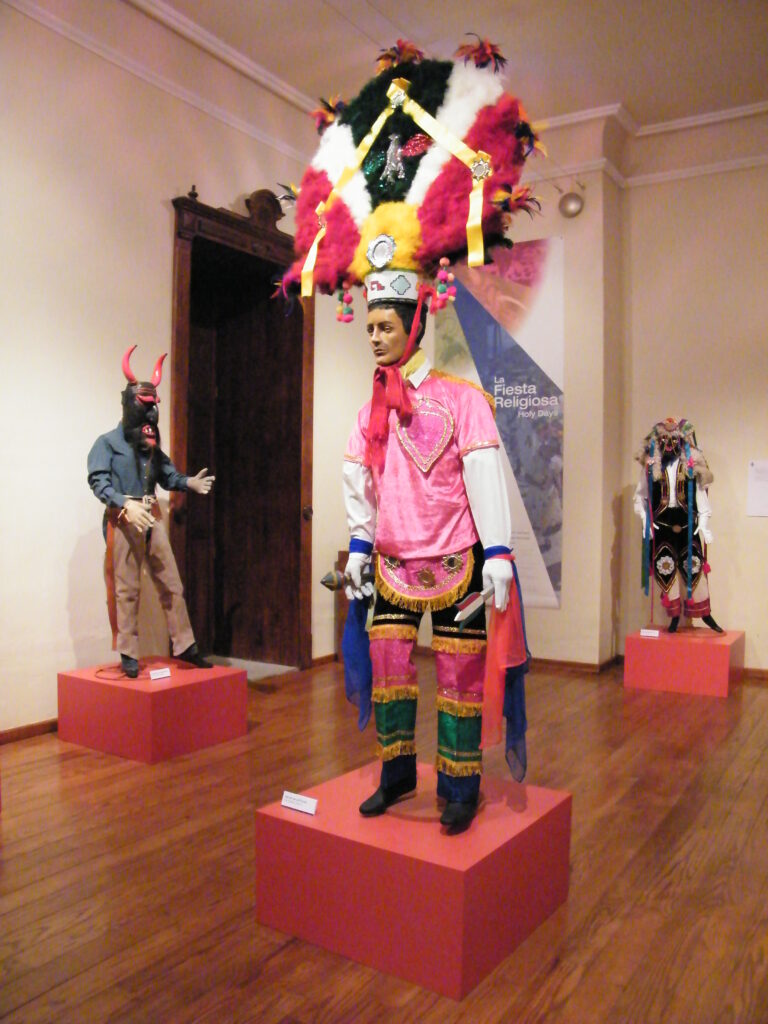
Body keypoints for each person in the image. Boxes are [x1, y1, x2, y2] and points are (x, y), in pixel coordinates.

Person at [342, 273, 521, 831]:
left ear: (413, 325)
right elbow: (360, 481)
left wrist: (497, 551)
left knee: (459, 676)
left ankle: (459, 786)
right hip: (392, 563)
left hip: (455, 561)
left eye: (385, 326)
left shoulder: (462, 400)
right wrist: (357, 546)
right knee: (388, 672)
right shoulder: (368, 410)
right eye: (369, 327)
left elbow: (484, 469)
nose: (374, 337)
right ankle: (395, 776)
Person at [87, 345, 215, 677]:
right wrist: (123, 503)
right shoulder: (106, 444)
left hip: (152, 517)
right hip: (124, 518)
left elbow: (166, 474)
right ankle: (129, 652)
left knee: (171, 582)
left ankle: (186, 645)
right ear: (129, 404)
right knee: (127, 588)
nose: (150, 414)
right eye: (144, 406)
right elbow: (98, 481)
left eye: (153, 406)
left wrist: (188, 483)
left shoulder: (150, 444)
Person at [634, 417, 722, 633]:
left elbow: (701, 498)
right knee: (666, 567)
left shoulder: (690, 467)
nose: (669, 445)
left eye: (674, 440)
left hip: (687, 524)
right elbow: (640, 497)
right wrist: (646, 521)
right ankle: (673, 616)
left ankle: (705, 613)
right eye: (664, 440)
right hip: (662, 525)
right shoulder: (650, 468)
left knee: (694, 565)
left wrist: (704, 524)